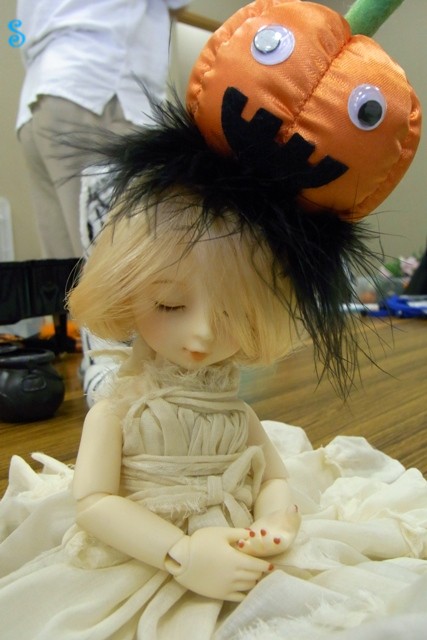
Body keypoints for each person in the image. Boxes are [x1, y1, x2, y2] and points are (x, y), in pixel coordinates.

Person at [1, 1, 426, 639]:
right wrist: (179, 553)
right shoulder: (120, 413)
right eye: (169, 306)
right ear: (128, 290)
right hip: (145, 551)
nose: (201, 335)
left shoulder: (236, 415)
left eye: (235, 314)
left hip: (239, 548)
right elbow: (94, 501)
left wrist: (277, 520)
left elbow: (273, 479)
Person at [16, 0, 188, 259]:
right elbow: (178, 5)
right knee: (117, 268)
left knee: (66, 272)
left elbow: (22, 24)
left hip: (41, 100)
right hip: (102, 91)